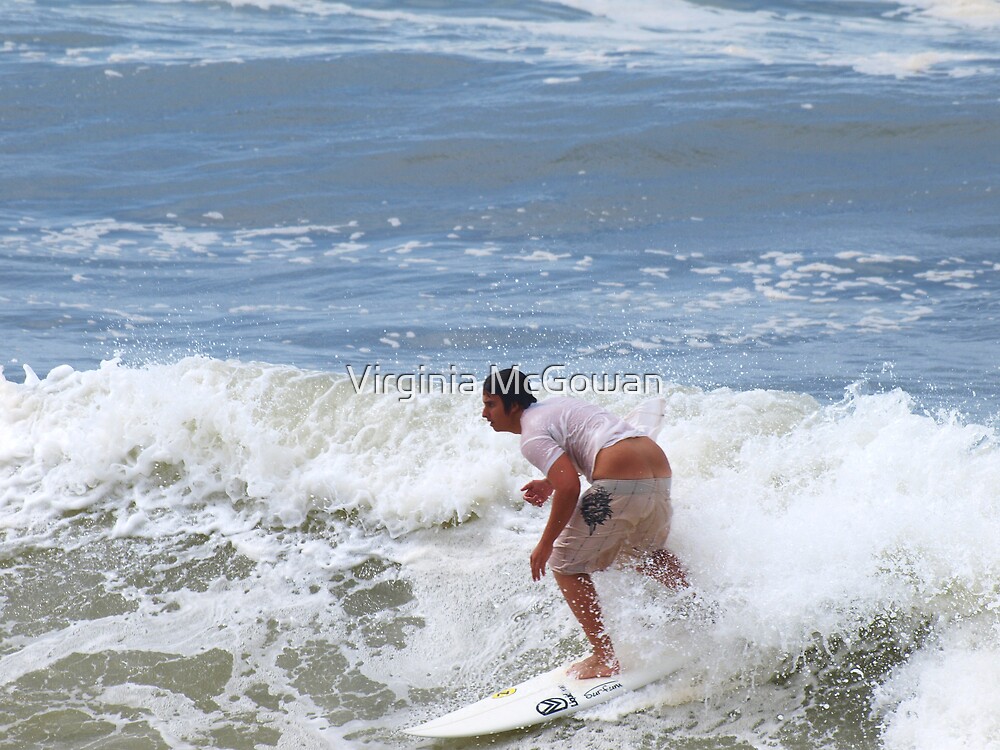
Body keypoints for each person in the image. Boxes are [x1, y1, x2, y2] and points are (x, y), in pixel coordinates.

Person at [481, 367, 688, 680]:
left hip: (621, 479)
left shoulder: (530, 435)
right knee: (644, 552)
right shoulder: (555, 407)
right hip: (657, 472)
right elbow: (592, 446)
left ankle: (604, 656)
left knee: (564, 563)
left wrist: (546, 543)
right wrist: (549, 482)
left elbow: (569, 488)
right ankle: (706, 611)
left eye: (491, 404)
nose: (485, 413)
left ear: (512, 406)